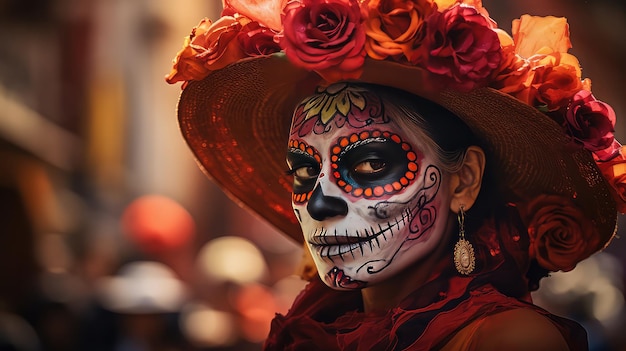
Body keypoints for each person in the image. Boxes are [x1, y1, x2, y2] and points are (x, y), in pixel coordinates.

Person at [166, 0, 623, 349]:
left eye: (369, 165)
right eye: (304, 171)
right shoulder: (318, 328)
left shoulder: (506, 339)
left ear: (462, 180)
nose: (319, 201)